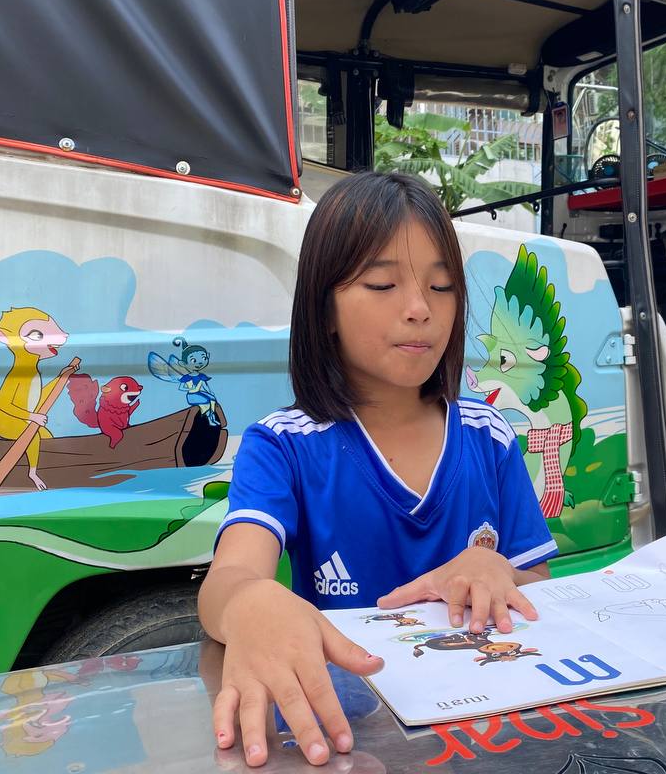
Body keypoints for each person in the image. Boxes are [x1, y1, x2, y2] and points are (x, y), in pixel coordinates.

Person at [197, 171, 557, 767]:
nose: (419, 309)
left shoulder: (489, 436)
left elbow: (539, 588)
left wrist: (497, 571)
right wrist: (249, 603)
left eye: (441, 287)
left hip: (487, 731)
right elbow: (228, 579)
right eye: (383, 284)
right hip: (354, 732)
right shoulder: (284, 445)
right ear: (325, 309)